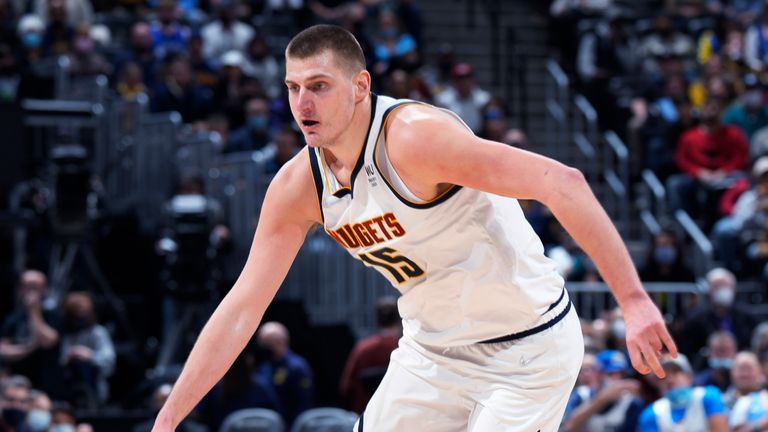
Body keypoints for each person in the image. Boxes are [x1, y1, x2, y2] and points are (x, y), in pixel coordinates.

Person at [152, 24, 676, 432]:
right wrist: (170, 418)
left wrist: (633, 301)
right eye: (293, 88)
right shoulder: (298, 186)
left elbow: (562, 182)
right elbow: (242, 307)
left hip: (526, 348)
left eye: (319, 86)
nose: (302, 104)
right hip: (431, 353)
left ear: (360, 86)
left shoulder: (415, 140)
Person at [339, 296, 401, 414]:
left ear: (377, 321)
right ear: (399, 321)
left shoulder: (362, 349)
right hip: (397, 415)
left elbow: (346, 387)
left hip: (365, 415)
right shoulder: (405, 350)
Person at [638, 354, 728, 432]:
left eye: (675, 372)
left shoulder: (708, 396)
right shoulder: (651, 414)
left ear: (689, 376)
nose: (669, 380)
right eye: (662, 376)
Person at [253, 321, 313, 426]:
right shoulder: (263, 366)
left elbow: (303, 402)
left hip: (290, 424)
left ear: (280, 342)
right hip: (266, 424)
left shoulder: (297, 367)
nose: (263, 348)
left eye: (267, 344)